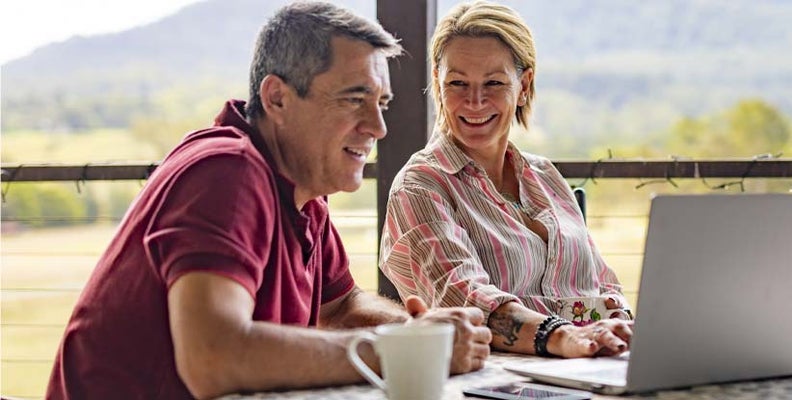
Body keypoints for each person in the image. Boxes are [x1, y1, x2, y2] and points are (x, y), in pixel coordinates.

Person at [47, 3, 491, 399]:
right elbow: (213, 358)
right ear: (277, 97)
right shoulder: (226, 172)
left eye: (382, 103)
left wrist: (422, 335)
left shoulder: (302, 189)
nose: (378, 127)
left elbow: (341, 307)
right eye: (355, 99)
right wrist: (400, 350)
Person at [379, 0, 633, 359]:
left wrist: (621, 326)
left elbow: (604, 284)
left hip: (593, 363)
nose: (475, 101)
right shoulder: (421, 186)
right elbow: (465, 299)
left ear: (524, 85)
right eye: (457, 83)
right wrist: (565, 337)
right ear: (438, 85)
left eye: (494, 82)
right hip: (496, 380)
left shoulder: (545, 176)